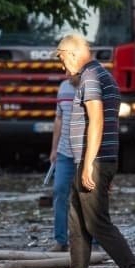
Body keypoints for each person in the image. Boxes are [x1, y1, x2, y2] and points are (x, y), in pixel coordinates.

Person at [53, 33, 135, 268]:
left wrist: (90, 165)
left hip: (93, 162)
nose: (63, 67)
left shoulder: (91, 77)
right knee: (78, 226)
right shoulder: (98, 75)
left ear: (72, 53)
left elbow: (97, 120)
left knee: (98, 224)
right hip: (93, 161)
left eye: (62, 60)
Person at [47, 76, 78, 252]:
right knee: (59, 191)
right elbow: (59, 118)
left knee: (89, 197)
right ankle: (61, 240)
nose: (67, 74)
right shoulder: (63, 87)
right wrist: (54, 149)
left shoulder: (92, 87)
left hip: (85, 153)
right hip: (64, 151)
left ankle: (94, 242)